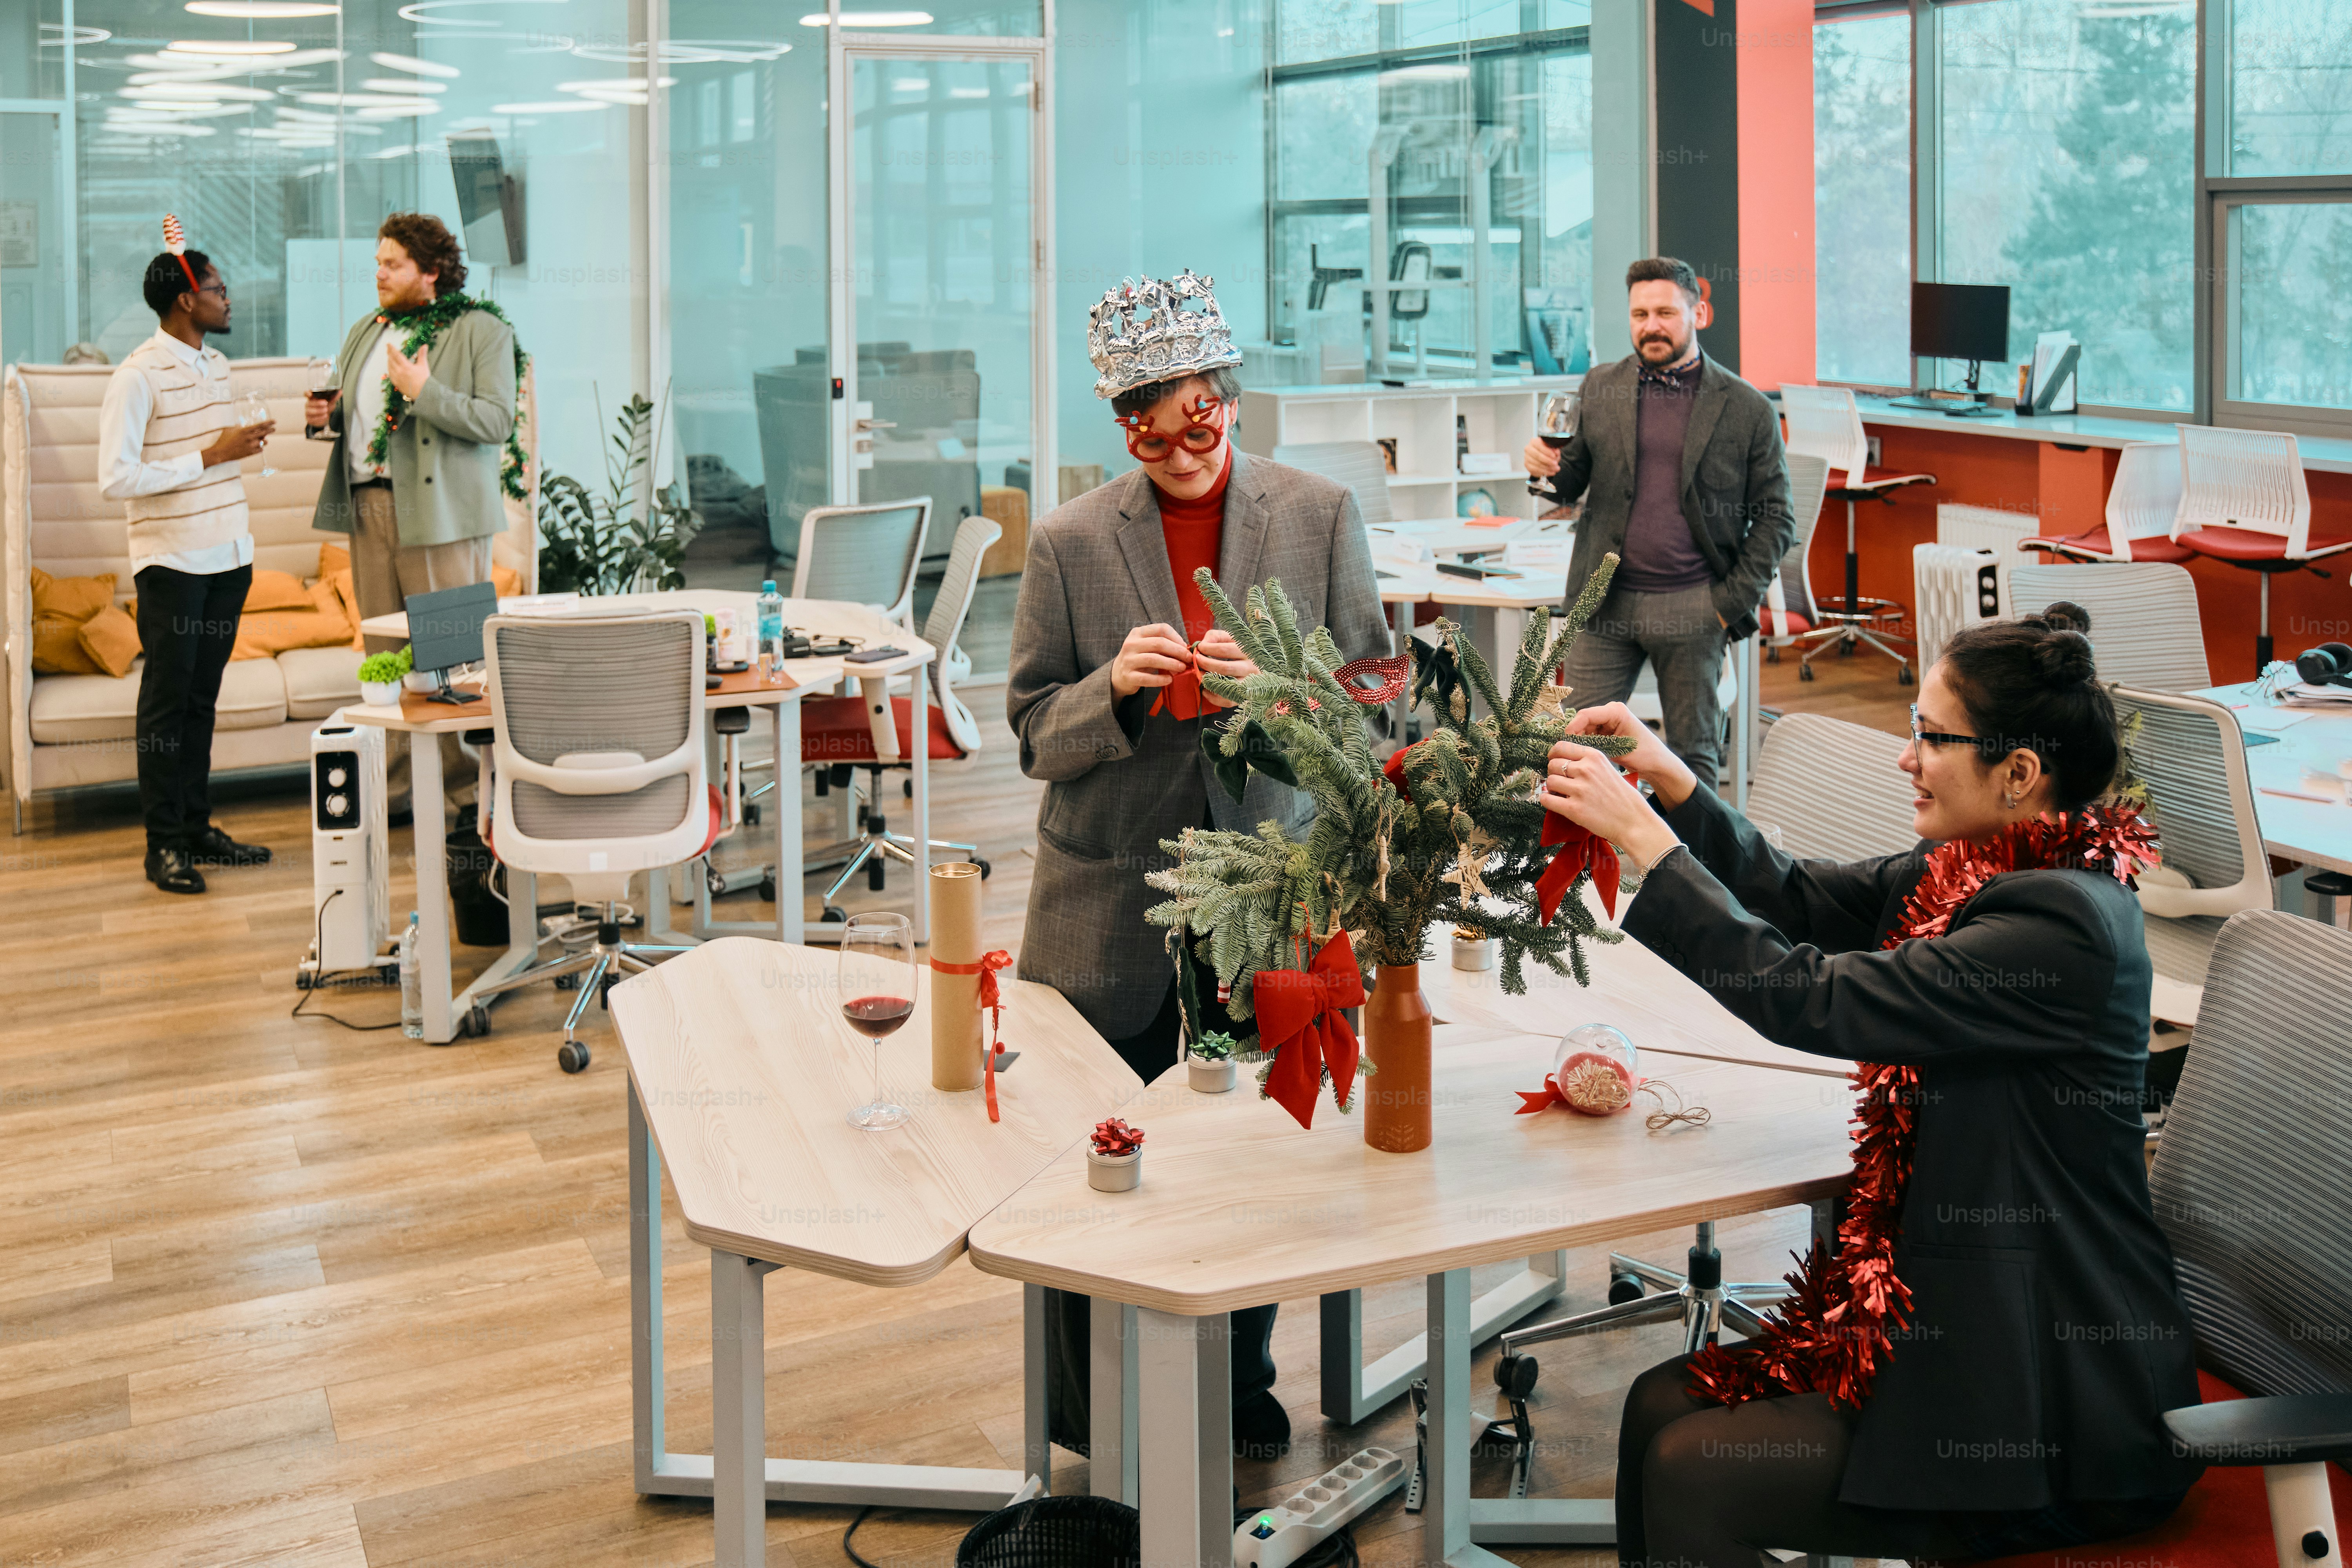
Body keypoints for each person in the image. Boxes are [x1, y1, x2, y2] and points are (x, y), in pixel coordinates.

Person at [1539, 603, 2201, 1567]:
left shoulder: (2062, 928)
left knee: (1694, 1466)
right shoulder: (1975, 870)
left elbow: (1810, 996)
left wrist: (1649, 846)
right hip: (1954, 1319)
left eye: (1932, 737)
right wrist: (1673, 784)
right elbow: (1805, 898)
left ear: (2019, 773)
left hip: (2048, 1402)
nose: (1908, 757)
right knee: (1655, 1404)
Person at [1009, 269, 1390, 1458]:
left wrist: (1276, 697)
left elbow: (1374, 714)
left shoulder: (1318, 516)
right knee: (1089, 1155)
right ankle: (1090, 1418)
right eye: (1142, 423)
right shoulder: (1072, 541)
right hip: (1102, 889)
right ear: (1118, 423)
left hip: (1266, 886)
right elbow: (1029, 731)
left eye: (1197, 417)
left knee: (1244, 1157)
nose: (1175, 446)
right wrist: (1106, 695)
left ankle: (1233, 1385)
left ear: (1230, 397)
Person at [1523, 256, 1793, 791]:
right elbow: (1569, 482)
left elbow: (1776, 518)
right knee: (1576, 752)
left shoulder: (1746, 408)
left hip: (1694, 606)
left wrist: (1725, 606)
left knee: (1691, 764)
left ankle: (1690, 871)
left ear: (1700, 312)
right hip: (1604, 603)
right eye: (1640, 313)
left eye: (1666, 312)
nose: (1651, 325)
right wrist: (1542, 470)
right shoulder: (1601, 385)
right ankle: (1585, 874)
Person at [308, 212, 520, 819]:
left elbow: (496, 422)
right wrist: (325, 423)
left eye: (391, 263)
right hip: (368, 502)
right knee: (385, 655)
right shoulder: (365, 330)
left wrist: (425, 392)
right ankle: (395, 789)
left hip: (442, 513)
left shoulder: (479, 331)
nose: (378, 272)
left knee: (449, 654)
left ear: (430, 272)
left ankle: (465, 798)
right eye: (377, 261)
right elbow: (360, 419)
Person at [99, 239, 276, 895]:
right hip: (172, 563)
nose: (227, 298)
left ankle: (198, 827)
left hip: (230, 557)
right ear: (186, 298)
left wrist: (239, 448)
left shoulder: (219, 366)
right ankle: (164, 846)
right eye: (218, 288)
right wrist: (210, 455)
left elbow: (216, 452)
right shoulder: (137, 376)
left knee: (202, 701)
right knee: (167, 707)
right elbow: (115, 479)